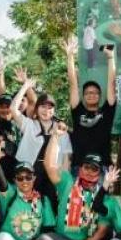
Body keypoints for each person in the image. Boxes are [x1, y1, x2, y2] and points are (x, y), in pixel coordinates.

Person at [34, 126, 110, 240]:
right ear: (81, 168)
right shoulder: (68, 182)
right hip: (62, 239)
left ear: (99, 172)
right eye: (87, 167)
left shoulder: (103, 193)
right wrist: (55, 137)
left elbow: (102, 231)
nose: (89, 171)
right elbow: (50, 165)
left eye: (94, 168)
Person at [11, 78, 72, 211]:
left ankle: (49, 229)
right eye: (43, 107)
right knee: (29, 204)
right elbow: (13, 109)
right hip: (30, 172)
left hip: (52, 172)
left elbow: (66, 155)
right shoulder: (29, 125)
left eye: (50, 108)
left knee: (51, 204)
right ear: (37, 108)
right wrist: (25, 86)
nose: (46, 111)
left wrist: (64, 179)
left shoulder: (60, 128)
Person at [64, 37, 116, 171]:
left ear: (100, 96)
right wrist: (70, 56)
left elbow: (111, 83)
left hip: (101, 166)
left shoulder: (107, 111)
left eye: (95, 93)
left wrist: (110, 58)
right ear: (83, 96)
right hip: (79, 167)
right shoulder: (78, 110)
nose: (91, 95)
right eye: (87, 93)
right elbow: (73, 84)